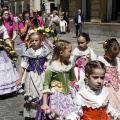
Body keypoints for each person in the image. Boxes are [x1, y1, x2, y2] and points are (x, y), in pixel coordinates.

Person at [38, 40, 78, 119]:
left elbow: (74, 80)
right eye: (70, 51)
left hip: (70, 94)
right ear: (61, 53)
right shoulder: (51, 67)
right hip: (56, 96)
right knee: (58, 115)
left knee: (70, 114)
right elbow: (46, 85)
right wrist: (44, 103)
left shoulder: (69, 65)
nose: (72, 53)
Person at [16, 32, 51, 120]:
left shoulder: (45, 50)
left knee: (42, 92)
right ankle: (31, 114)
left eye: (36, 40)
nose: (34, 42)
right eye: (32, 41)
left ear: (41, 41)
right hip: (31, 75)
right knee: (31, 93)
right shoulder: (28, 52)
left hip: (42, 75)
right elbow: (23, 66)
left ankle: (43, 111)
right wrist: (20, 79)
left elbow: (50, 63)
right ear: (30, 42)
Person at [97, 38, 120, 111]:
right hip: (106, 87)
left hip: (116, 86)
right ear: (105, 50)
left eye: (115, 55)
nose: (113, 58)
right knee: (110, 105)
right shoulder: (101, 61)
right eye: (111, 55)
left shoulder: (117, 60)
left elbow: (118, 72)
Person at [0, 21, 19, 95]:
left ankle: (5, 90)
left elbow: (6, 38)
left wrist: (11, 51)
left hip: (1, 50)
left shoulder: (1, 26)